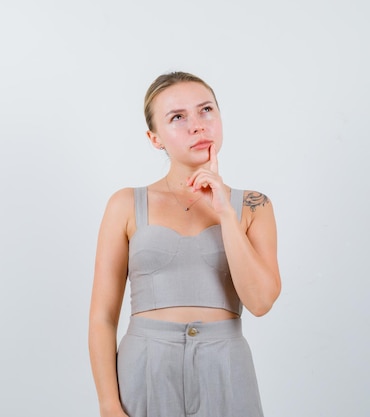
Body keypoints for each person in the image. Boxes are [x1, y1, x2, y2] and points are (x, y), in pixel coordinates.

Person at [88, 71, 281, 417]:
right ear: (154, 138)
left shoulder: (254, 206)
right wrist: (108, 404)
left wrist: (224, 211)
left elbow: (261, 301)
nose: (197, 125)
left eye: (206, 110)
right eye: (177, 117)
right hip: (146, 367)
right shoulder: (126, 204)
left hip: (226, 367)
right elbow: (102, 316)